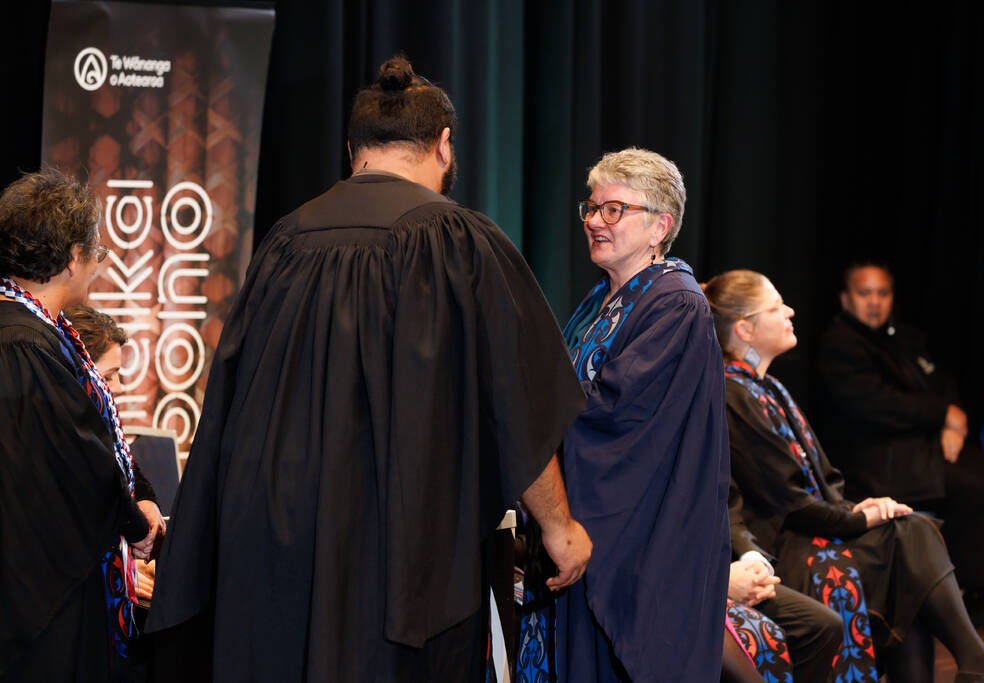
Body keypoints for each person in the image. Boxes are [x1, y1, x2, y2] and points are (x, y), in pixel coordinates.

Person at [145, 56, 591, 682]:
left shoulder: (284, 241)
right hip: (398, 549)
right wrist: (559, 526)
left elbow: (228, 397)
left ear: (352, 148)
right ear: (443, 145)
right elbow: (517, 402)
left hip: (273, 536)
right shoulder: (460, 240)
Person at [704, 268, 984, 683]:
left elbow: (825, 480)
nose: (790, 311)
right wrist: (860, 518)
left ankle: (979, 664)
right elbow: (790, 502)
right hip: (784, 547)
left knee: (910, 543)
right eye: (777, 306)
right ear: (745, 329)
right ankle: (980, 663)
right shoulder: (734, 395)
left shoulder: (769, 389)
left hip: (810, 528)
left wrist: (858, 508)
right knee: (908, 546)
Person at [552, 148, 731, 681]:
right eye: (590, 207)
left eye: (613, 210)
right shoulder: (600, 300)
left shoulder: (676, 302)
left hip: (643, 538)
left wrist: (528, 419)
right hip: (597, 522)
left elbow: (617, 420)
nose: (593, 221)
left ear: (661, 226)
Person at [0, 169, 163, 681]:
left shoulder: (29, 330)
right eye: (97, 252)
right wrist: (137, 524)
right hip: (43, 594)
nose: (97, 264)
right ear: (72, 258)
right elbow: (79, 466)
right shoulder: (27, 344)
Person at [817, 261, 984, 600]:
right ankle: (968, 591)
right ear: (845, 299)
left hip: (921, 444)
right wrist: (943, 414)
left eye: (883, 293)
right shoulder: (841, 344)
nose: (875, 301)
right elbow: (877, 405)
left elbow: (942, 382)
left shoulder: (904, 338)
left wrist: (953, 420)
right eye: (865, 293)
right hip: (878, 454)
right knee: (974, 483)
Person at [64, 304, 167, 605]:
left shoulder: (101, 422)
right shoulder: (66, 434)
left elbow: (127, 468)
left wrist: (146, 501)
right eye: (109, 377)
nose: (119, 388)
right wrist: (120, 569)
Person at [726, 483, 844, 683]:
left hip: (725, 567)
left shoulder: (711, 452)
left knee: (824, 624)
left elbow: (728, 506)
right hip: (680, 584)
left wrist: (754, 559)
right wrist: (720, 580)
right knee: (762, 637)